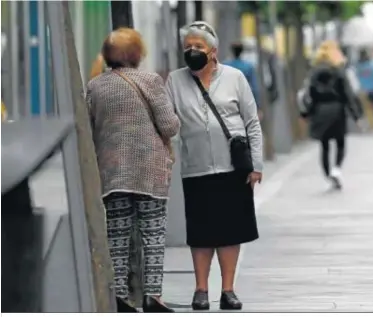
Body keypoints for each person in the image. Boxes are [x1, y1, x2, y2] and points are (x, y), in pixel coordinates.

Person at [164, 21, 263, 311]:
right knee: (201, 233)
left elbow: (252, 123)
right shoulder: (175, 81)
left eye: (199, 47)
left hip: (234, 167)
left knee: (232, 231)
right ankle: (201, 290)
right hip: (196, 168)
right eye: (188, 47)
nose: (192, 51)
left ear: (214, 51)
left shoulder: (235, 78)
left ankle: (229, 290)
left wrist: (256, 165)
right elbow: (168, 122)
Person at [87, 27, 180, 313]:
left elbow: (90, 128)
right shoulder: (150, 81)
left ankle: (120, 296)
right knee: (152, 234)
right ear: (137, 54)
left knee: (116, 234)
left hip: (112, 171)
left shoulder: (95, 86)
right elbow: (169, 126)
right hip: (149, 171)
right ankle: (153, 296)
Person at [300, 40, 362, 190]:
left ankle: (328, 175)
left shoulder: (314, 72)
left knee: (324, 145)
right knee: (340, 142)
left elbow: (309, 95)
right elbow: (347, 94)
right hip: (337, 110)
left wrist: (306, 113)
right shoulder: (339, 71)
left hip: (320, 110)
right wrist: (356, 116)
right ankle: (336, 169)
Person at [223, 42, 261, 117]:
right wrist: (258, 107)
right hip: (244, 99)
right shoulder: (248, 66)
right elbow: (255, 87)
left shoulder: (225, 65)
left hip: (228, 99)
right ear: (242, 51)